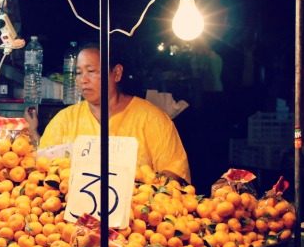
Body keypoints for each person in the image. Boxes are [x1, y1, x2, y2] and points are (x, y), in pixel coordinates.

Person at [30, 44, 190, 183]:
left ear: (117, 73)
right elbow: (42, 170)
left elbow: (174, 173)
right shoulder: (64, 120)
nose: (83, 80)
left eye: (91, 71)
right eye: (78, 73)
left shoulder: (151, 118)